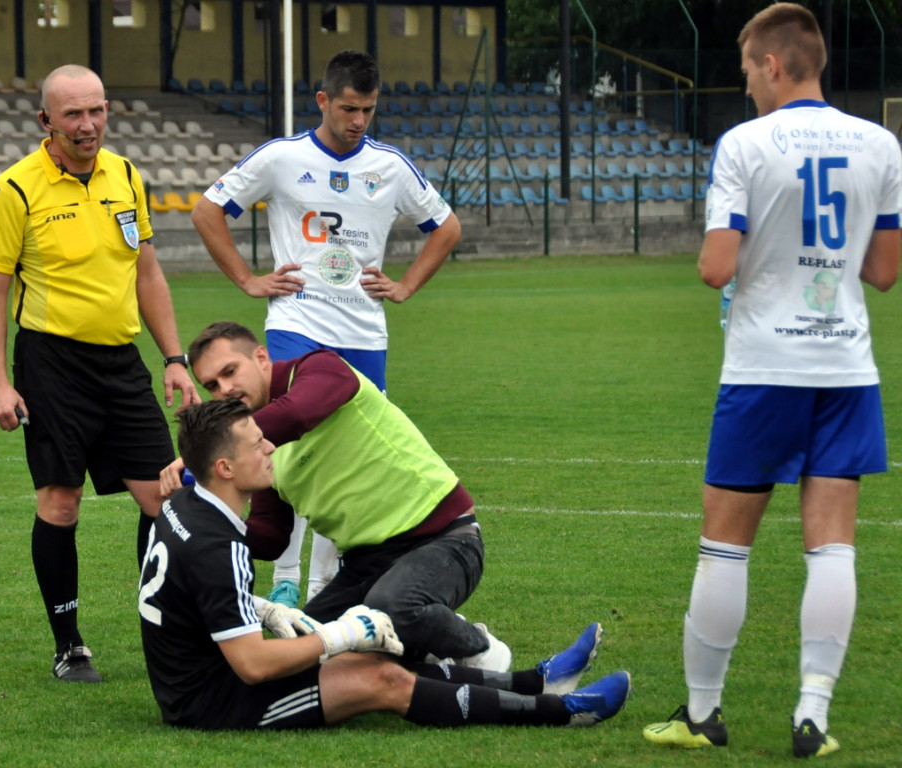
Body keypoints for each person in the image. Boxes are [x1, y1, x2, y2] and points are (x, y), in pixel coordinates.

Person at [643, 3, 901, 758]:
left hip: (765, 368)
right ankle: (812, 717)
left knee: (726, 545)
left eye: (750, 70)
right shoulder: (881, 144)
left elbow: (715, 266)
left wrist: (752, 263)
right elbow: (885, 273)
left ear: (776, 64)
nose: (748, 84)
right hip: (846, 369)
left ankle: (701, 715)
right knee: (833, 548)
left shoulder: (745, 144)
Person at [140, 396, 632, 731]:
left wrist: (264, 608)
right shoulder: (216, 540)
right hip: (210, 702)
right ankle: (563, 711)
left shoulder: (187, 503)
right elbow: (251, 665)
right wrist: (339, 635)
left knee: (376, 656)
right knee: (381, 678)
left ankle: (536, 682)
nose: (270, 446)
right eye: (256, 444)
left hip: (195, 675)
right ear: (224, 468)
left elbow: (191, 590)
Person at [190, 49, 461, 609]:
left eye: (367, 109)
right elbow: (208, 210)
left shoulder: (390, 166)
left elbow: (447, 226)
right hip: (298, 321)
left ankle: (322, 586)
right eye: (347, 108)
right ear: (323, 101)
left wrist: (406, 286)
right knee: (278, 438)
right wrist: (247, 280)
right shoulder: (282, 158)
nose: (358, 120)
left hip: (363, 334)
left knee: (344, 457)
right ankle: (284, 577)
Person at [0, 64, 200, 683]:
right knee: (61, 501)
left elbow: (146, 272)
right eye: (73, 114)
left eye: (97, 110)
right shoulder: (15, 190)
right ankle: (69, 645)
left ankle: (164, 627)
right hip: (52, 366)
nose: (88, 124)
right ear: (45, 121)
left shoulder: (125, 175)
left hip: (121, 362)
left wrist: (174, 357)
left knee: (163, 497)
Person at [161, 321, 527, 670]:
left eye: (230, 371)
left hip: (444, 538)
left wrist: (206, 452)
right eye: (211, 385)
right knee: (308, 647)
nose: (223, 389)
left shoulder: (320, 369)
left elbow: (299, 413)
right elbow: (271, 535)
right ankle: (425, 643)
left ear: (260, 357)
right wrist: (211, 522)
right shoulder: (254, 444)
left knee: (395, 608)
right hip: (366, 563)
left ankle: (479, 648)